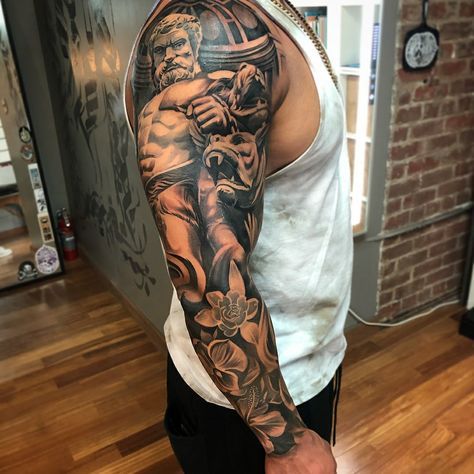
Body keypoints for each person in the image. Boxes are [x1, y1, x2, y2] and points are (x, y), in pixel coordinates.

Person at [124, 1, 353, 473]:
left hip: (301, 364)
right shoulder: (210, 30)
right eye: (165, 50)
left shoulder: (257, 20)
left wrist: (226, 121)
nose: (171, 56)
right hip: (257, 399)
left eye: (178, 47)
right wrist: (286, 442)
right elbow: (206, 271)